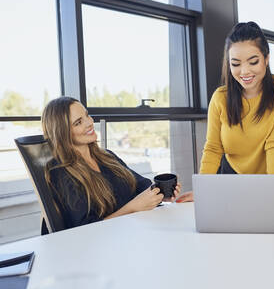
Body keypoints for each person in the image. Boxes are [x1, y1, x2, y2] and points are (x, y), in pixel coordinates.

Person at [177, 21, 274, 203]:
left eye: (253, 62)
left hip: (272, 175)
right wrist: (202, 189)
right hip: (230, 177)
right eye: (235, 64)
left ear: (266, 59)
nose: (244, 71)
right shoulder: (220, 97)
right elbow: (213, 148)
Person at [42, 96, 181, 229]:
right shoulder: (60, 172)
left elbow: (142, 187)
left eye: (87, 115)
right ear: (62, 132)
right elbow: (85, 229)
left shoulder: (107, 156)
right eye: (78, 122)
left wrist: (162, 194)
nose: (90, 122)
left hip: (135, 232)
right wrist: (132, 208)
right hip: (103, 247)